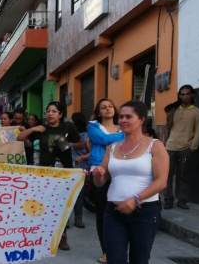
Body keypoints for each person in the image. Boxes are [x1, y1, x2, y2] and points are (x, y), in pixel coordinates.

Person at [92, 101, 170, 264]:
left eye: (129, 116)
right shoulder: (112, 148)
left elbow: (161, 182)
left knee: (139, 260)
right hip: (113, 211)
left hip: (145, 212)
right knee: (114, 259)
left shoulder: (155, 146)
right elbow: (100, 182)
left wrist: (135, 199)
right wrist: (98, 174)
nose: (123, 120)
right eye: (121, 117)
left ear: (141, 119)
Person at [18, 101, 82, 250]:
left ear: (60, 114)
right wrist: (34, 128)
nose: (50, 114)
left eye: (54, 111)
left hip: (64, 171)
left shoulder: (68, 127)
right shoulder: (42, 129)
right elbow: (20, 137)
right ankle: (45, 236)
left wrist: (67, 144)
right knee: (45, 204)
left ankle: (62, 236)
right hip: (45, 172)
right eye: (48, 111)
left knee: (62, 204)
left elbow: (81, 144)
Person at [87, 98, 124, 264]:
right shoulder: (93, 126)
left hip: (120, 170)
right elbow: (101, 140)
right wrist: (122, 136)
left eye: (110, 106)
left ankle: (119, 248)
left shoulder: (122, 125)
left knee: (119, 211)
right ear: (98, 112)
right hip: (99, 171)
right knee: (103, 212)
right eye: (103, 107)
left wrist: (122, 135)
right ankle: (106, 251)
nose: (108, 109)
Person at [164, 85, 199, 210]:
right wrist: (164, 143)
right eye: (182, 94)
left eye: (187, 94)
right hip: (170, 147)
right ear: (179, 96)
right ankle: (168, 200)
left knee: (183, 175)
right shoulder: (174, 110)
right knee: (167, 175)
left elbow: (198, 130)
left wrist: (193, 147)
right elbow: (167, 128)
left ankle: (182, 200)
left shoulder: (196, 111)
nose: (184, 96)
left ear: (192, 95)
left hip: (186, 148)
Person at [70, 112, 90, 229]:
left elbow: (90, 151)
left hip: (80, 166)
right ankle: (72, 220)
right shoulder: (71, 133)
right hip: (72, 166)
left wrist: (81, 157)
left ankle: (78, 218)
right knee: (75, 194)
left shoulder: (86, 136)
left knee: (77, 194)